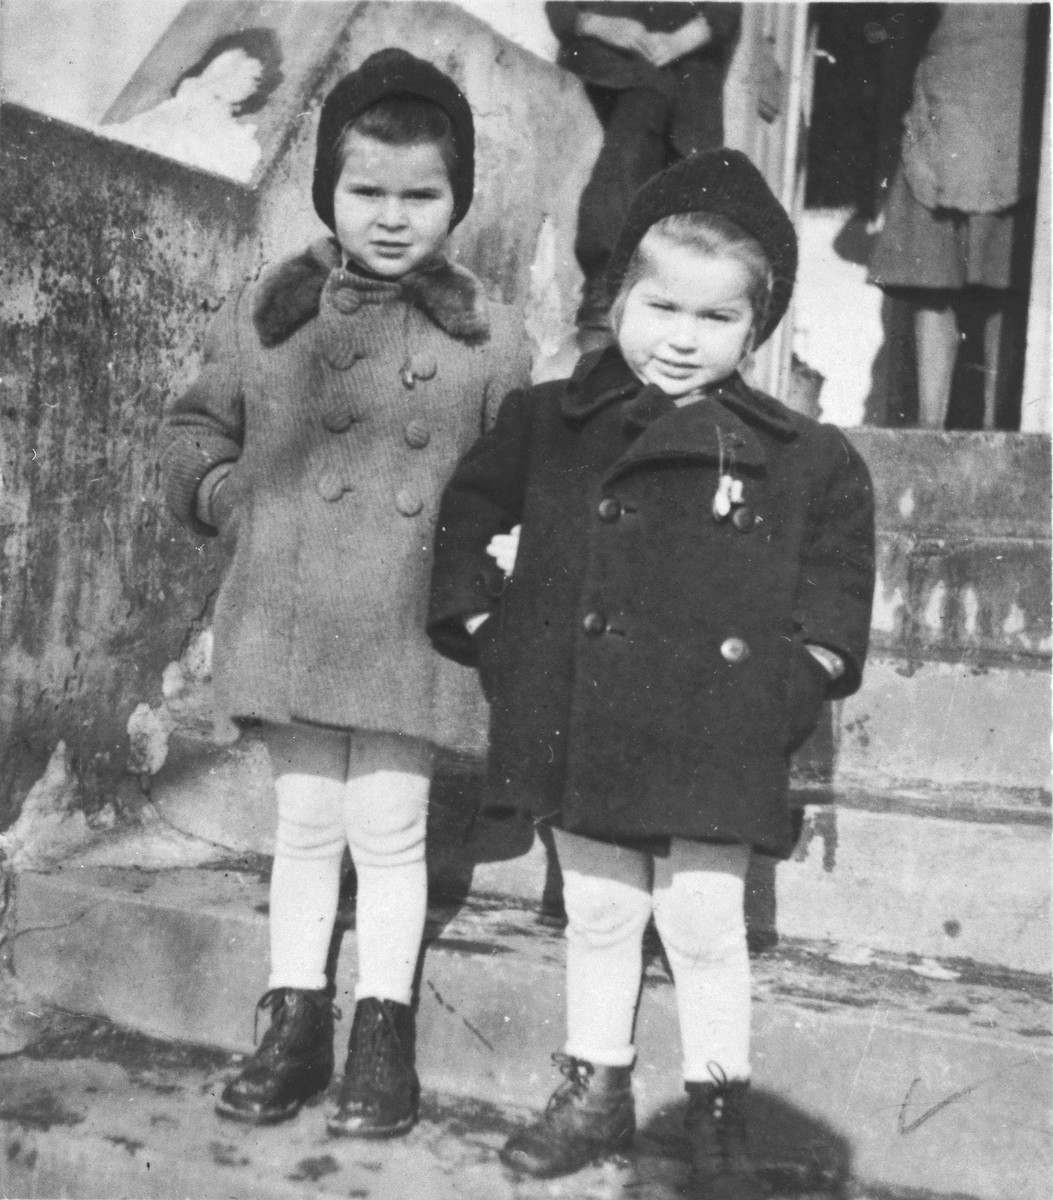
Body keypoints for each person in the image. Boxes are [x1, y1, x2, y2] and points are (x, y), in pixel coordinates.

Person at [429, 150, 875, 1195]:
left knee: (707, 924)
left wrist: (799, 673)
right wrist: (493, 626)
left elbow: (837, 580)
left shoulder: (806, 455)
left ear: (754, 332)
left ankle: (719, 1104)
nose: (681, 338)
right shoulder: (553, 420)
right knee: (598, 910)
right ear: (618, 297)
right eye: (660, 305)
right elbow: (467, 514)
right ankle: (597, 1086)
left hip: (716, 729)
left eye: (716, 319)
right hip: (581, 711)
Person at [160, 49, 530, 1136]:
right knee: (307, 819)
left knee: (392, 828)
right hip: (292, 607)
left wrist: (492, 569)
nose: (393, 216)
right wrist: (235, 501)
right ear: (327, 188)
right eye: (368, 190)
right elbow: (193, 428)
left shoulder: (493, 337)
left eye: (423, 195)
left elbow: (519, 478)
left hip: (412, 626)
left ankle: (383, 1025)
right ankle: (294, 1015)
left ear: (458, 200)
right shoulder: (271, 310)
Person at [868, 4, 1040, 429]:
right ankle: (931, 432)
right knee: (934, 287)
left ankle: (999, 431)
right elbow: (894, 39)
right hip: (940, 115)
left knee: (1009, 292)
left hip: (1018, 116)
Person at [545, 2, 741, 348]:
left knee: (691, 196)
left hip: (685, 76)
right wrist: (597, 23)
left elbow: (724, 12)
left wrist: (678, 40)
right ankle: (604, 293)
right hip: (614, 64)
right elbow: (561, 8)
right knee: (634, 138)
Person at [106, 28, 284, 182]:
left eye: (251, 76)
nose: (231, 75)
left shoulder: (237, 144)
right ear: (214, 58)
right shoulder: (173, 107)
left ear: (253, 92)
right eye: (233, 62)